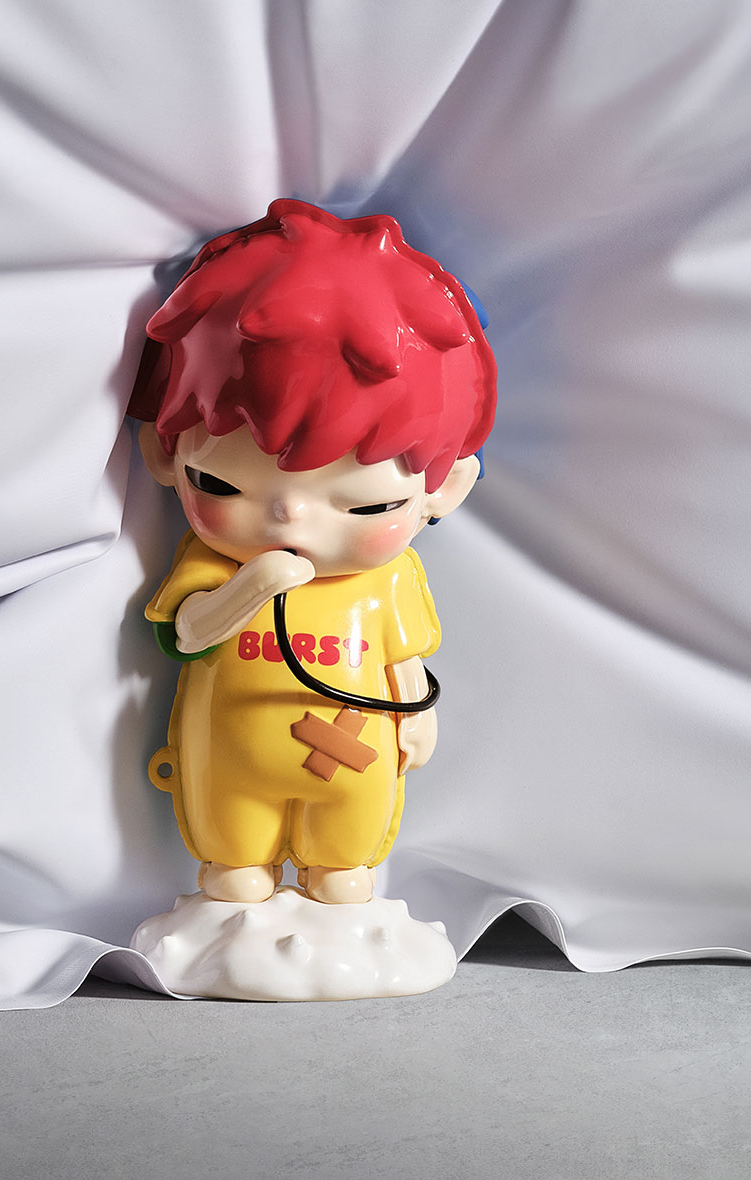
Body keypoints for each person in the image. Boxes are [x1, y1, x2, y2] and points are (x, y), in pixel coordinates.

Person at [129, 198, 496, 905]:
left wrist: (416, 711)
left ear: (442, 491)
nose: (291, 517)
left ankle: (341, 877)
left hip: (354, 757)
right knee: (233, 869)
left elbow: (403, 658)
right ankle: (235, 879)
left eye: (365, 506)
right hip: (229, 756)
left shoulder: (387, 580)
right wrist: (253, 585)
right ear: (164, 455)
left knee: (344, 872)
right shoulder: (213, 566)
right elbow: (185, 635)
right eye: (221, 484)